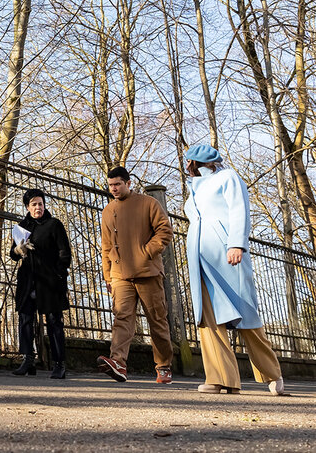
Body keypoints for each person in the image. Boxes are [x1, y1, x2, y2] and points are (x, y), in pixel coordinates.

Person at [183, 144, 285, 395]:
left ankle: (272, 373)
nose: (186, 166)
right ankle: (221, 378)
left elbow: (240, 210)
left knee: (245, 313)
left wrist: (236, 244)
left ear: (196, 162)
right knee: (208, 318)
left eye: (188, 161)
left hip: (227, 254)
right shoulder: (193, 188)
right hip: (200, 259)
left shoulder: (227, 177)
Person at [98, 166, 174, 383]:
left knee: (157, 320)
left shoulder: (148, 203)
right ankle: (118, 362)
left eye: (117, 184)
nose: (113, 188)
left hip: (148, 272)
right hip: (120, 274)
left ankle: (164, 366)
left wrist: (146, 252)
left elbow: (165, 230)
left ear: (128, 183)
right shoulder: (107, 211)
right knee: (121, 318)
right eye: (111, 185)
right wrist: (108, 276)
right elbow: (105, 246)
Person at [9, 188, 72, 379]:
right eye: (34, 204)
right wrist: (19, 250)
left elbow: (65, 252)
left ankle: (59, 363)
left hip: (50, 280)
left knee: (54, 321)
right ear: (27, 207)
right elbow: (12, 254)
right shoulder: (22, 227)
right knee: (25, 318)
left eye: (41, 204)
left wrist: (60, 273)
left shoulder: (54, 225)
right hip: (28, 280)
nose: (38, 207)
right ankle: (28, 359)